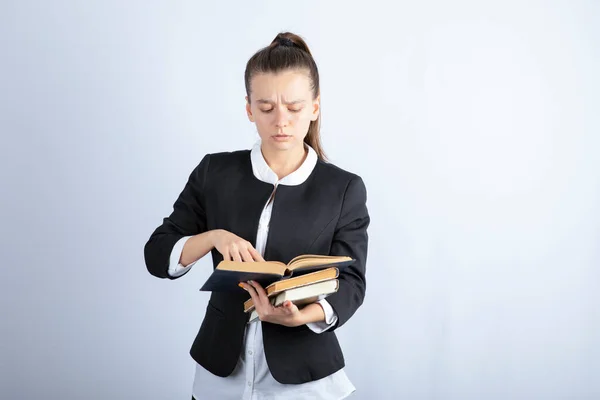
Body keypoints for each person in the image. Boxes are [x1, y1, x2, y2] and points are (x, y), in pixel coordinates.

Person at [144, 31, 370, 400]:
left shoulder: (343, 188)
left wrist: (304, 314)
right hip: (220, 375)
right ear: (249, 108)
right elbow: (157, 255)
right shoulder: (214, 173)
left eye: (294, 107)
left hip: (305, 380)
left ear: (314, 107)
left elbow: (352, 283)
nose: (281, 121)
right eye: (266, 108)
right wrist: (214, 237)